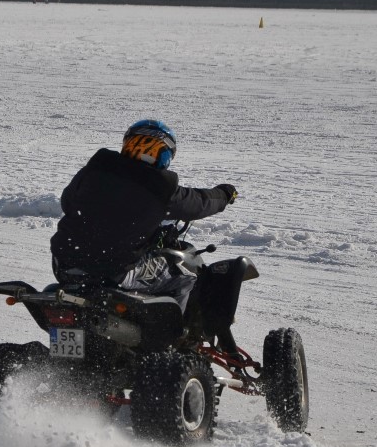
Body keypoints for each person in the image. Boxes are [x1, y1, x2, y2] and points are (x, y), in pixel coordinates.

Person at [50, 120, 237, 312]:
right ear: (165, 153)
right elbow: (199, 203)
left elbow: (68, 202)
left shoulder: (98, 168)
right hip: (112, 272)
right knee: (184, 277)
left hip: (63, 263)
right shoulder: (161, 187)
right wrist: (225, 194)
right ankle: (171, 338)